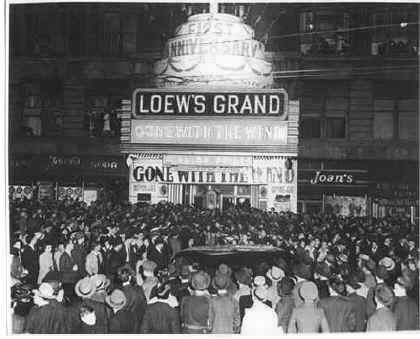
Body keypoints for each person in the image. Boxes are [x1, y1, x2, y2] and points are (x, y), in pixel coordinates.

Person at [117, 265, 147, 333]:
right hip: (138, 323)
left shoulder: (118, 293)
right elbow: (144, 305)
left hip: (124, 325)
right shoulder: (139, 289)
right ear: (130, 277)